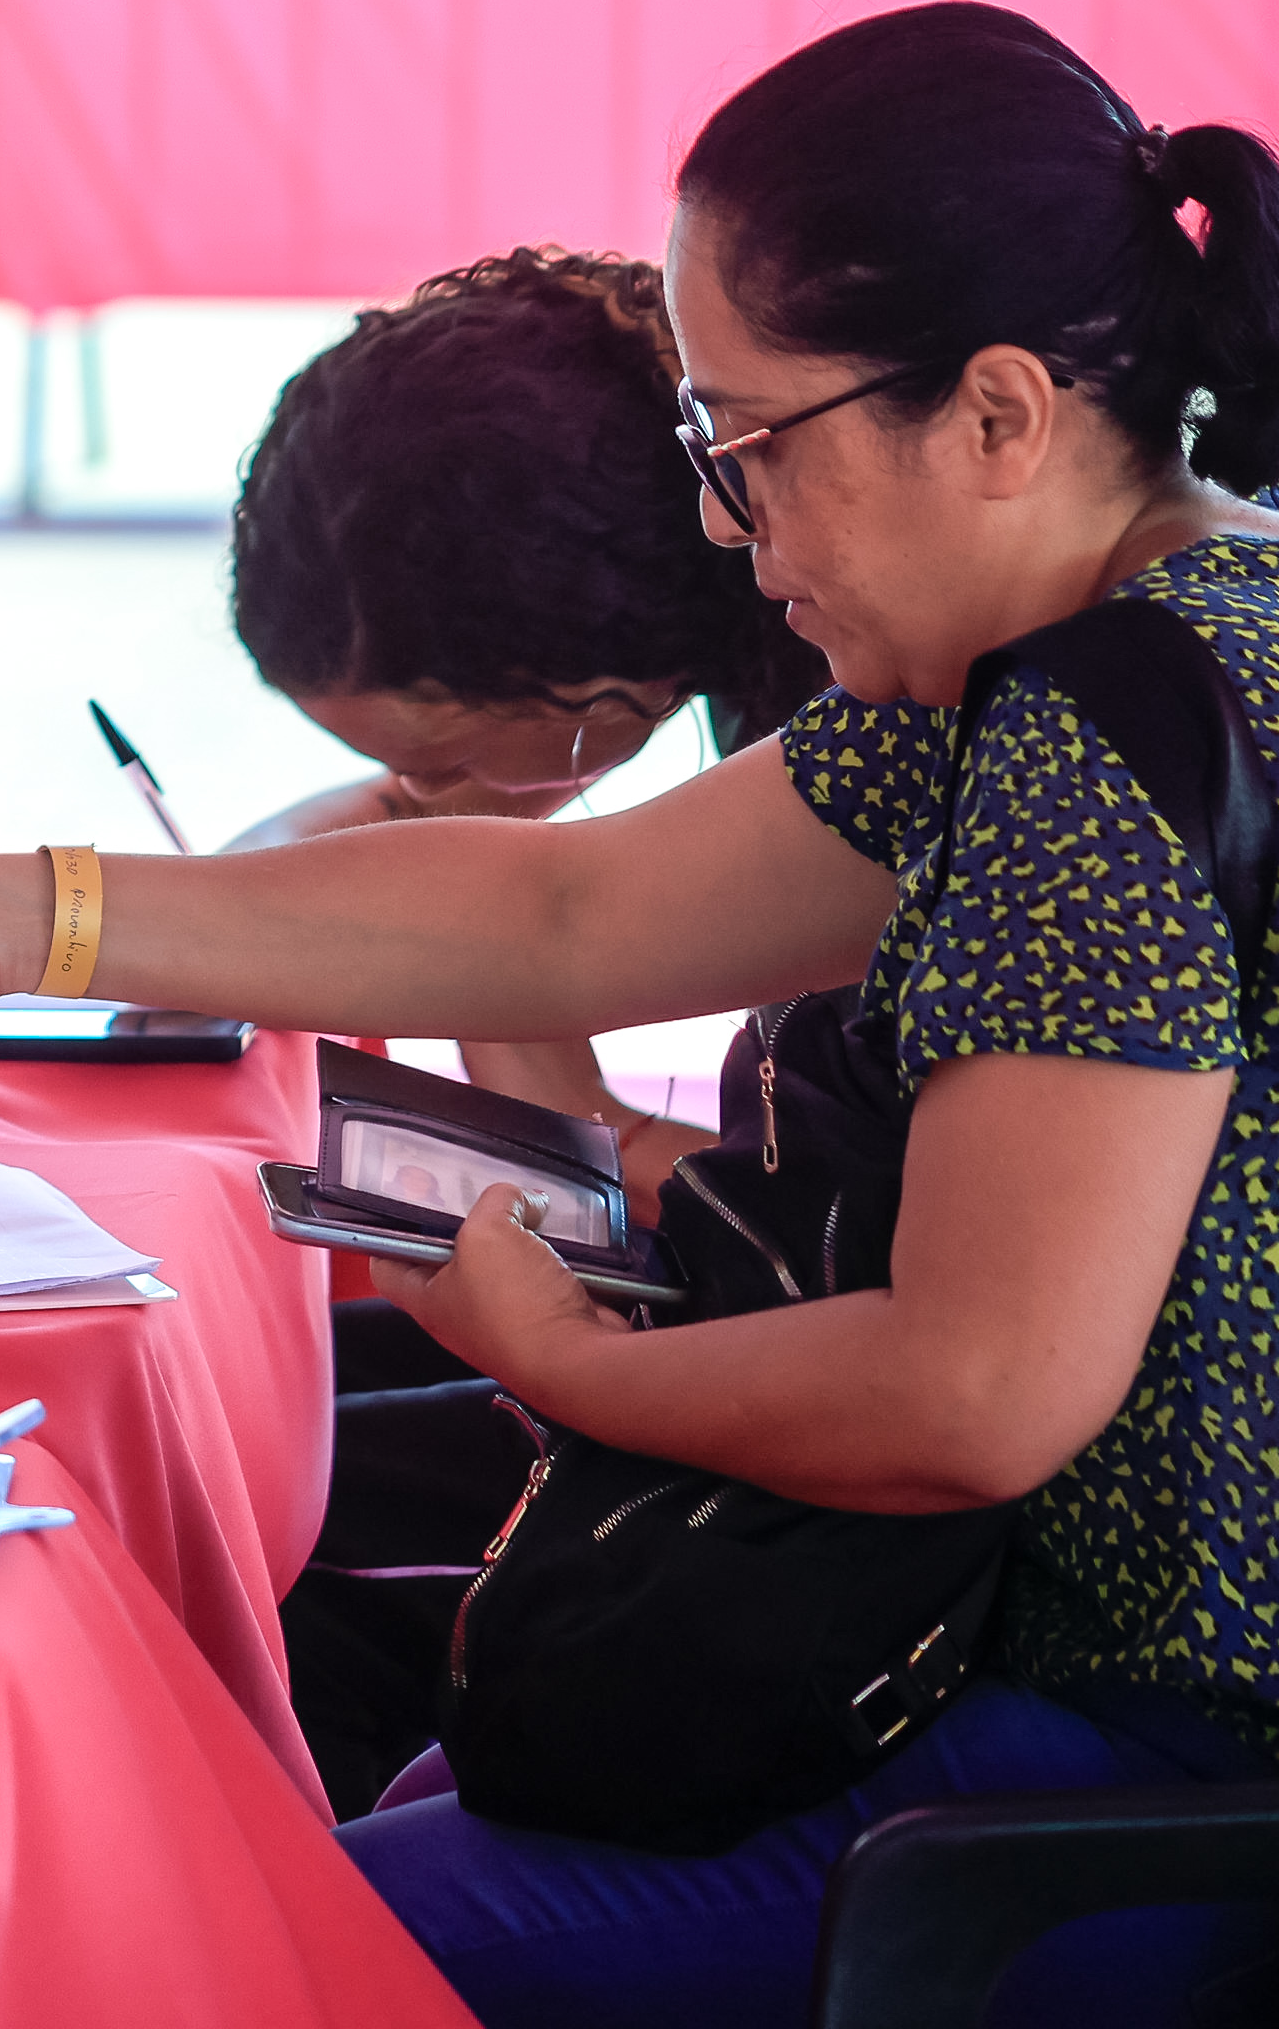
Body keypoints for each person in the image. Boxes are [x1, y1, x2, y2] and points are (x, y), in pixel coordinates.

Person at [0, 1, 1279, 2021]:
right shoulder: (1197, 623)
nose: (721, 519)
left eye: (749, 442)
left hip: (1254, 1792)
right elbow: (568, 908)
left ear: (999, 415)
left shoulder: (1112, 726)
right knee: (317, 1822)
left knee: (201, 1949)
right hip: (1203, 1714)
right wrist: (32, 911)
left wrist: (558, 1355)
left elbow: (975, 1393)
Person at [223, 245, 829, 1819]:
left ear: (597, 686)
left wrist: (558, 1319)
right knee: (281, 1406)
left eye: (442, 773)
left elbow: (806, 1231)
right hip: (803, 1305)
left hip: (863, 1423)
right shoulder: (763, 639)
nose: (417, 811)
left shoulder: (877, 722)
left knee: (266, 1513)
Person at [229, 244, 827, 1168]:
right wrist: (217, 905)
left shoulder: (866, 711)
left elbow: (832, 1224)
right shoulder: (725, 545)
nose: (413, 792)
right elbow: (357, 842)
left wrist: (562, 1107)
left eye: (443, 760)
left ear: (586, 661)